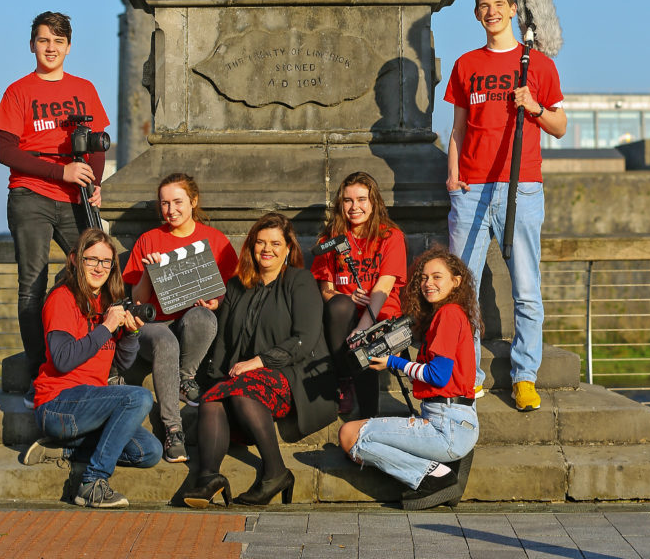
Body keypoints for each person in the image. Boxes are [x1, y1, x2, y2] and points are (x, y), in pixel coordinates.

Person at [445, 0, 566, 411]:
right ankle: (469, 374)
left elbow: (560, 125)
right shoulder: (465, 65)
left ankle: (525, 376)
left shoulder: (539, 65)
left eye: (499, 4)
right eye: (483, 6)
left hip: (523, 187)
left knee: (527, 289)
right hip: (471, 188)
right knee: (463, 290)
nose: (491, 11)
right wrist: (453, 176)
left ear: (514, 9)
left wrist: (533, 106)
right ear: (477, 15)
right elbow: (458, 129)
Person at [0, 11, 109, 408]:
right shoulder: (18, 91)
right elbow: (5, 151)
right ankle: (39, 370)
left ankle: (97, 361)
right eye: (44, 41)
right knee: (32, 283)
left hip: (75, 197)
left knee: (98, 270)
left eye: (58, 42)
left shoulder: (85, 89)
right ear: (32, 45)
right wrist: (61, 170)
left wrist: (93, 182)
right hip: (31, 195)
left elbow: (95, 146)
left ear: (69, 47)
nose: (51, 48)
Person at [183, 211, 336, 508]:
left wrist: (260, 361)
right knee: (213, 400)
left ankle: (276, 471)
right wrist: (214, 381)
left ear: (288, 248)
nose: (267, 249)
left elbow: (304, 339)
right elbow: (224, 342)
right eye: (261, 243)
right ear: (252, 247)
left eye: (276, 243)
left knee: (241, 390)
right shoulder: (238, 285)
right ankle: (208, 477)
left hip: (297, 374)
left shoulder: (300, 281)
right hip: (247, 377)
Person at [25, 227, 162, 508]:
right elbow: (62, 359)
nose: (99, 267)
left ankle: (61, 447)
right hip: (57, 404)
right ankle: (92, 483)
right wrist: (106, 327)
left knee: (150, 451)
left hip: (91, 406)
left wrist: (131, 334)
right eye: (92, 259)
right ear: (75, 259)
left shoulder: (106, 302)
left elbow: (120, 364)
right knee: (140, 397)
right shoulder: (61, 299)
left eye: (106, 261)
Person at [339, 247, 480, 510]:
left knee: (349, 435)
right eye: (424, 278)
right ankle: (441, 469)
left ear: (456, 281)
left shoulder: (448, 314)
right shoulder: (450, 314)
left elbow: (438, 376)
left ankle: (438, 476)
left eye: (437, 277)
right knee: (358, 437)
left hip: (446, 425)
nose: (428, 284)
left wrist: (393, 362)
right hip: (452, 419)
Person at [122, 172, 239, 464]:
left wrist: (216, 301)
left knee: (204, 317)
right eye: (164, 204)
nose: (170, 210)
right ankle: (173, 429)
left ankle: (186, 376)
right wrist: (149, 273)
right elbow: (137, 301)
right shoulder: (149, 240)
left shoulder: (214, 240)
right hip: (154, 325)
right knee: (164, 338)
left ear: (193, 201)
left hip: (191, 321)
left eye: (177, 202)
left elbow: (229, 288)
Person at [311, 171, 408, 418]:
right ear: (340, 204)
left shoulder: (390, 236)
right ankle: (344, 380)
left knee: (365, 343)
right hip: (343, 317)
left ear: (374, 202)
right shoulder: (331, 239)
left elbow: (385, 286)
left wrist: (363, 328)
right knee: (340, 305)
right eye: (348, 200)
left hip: (380, 314)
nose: (355, 207)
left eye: (362, 199)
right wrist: (342, 297)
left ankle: (368, 418)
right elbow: (325, 289)